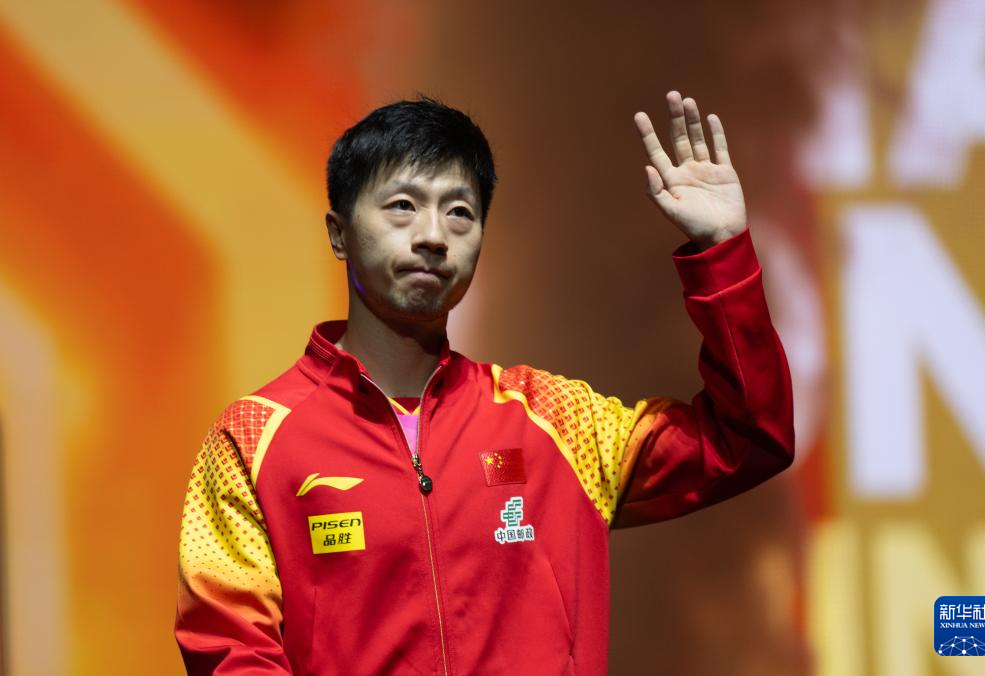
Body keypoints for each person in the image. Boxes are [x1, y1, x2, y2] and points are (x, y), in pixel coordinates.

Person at [174, 91, 794, 675]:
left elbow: (746, 438)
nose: (433, 236)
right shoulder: (251, 439)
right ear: (339, 233)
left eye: (460, 213)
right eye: (402, 206)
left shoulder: (557, 422)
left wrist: (722, 250)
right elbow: (231, 648)